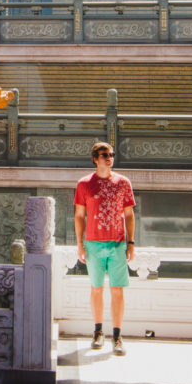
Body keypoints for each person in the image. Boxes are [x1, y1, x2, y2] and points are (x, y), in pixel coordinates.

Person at [74, 141, 136, 356]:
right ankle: (98, 331)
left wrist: (131, 243)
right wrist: (80, 244)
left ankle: (117, 335)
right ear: (95, 158)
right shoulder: (84, 184)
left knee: (117, 289)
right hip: (93, 243)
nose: (109, 157)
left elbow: (129, 214)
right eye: (104, 154)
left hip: (118, 243)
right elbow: (79, 215)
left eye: (111, 154)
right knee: (96, 288)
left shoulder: (123, 182)